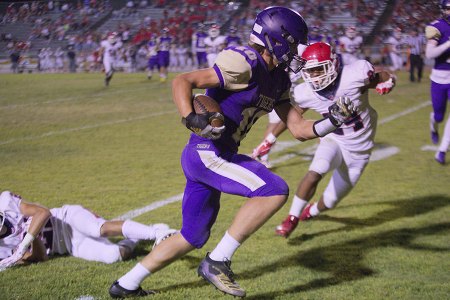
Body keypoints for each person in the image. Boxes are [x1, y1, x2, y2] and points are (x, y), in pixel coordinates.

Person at [109, 7, 356, 298]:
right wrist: (191, 117)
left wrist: (332, 121)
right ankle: (218, 261)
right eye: (294, 42)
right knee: (274, 189)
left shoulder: (278, 79)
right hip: (208, 152)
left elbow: (299, 129)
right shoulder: (245, 61)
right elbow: (183, 81)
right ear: (277, 38)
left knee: (192, 236)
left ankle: (125, 284)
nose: (298, 50)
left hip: (212, 155)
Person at [273, 42, 396, 238]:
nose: (315, 76)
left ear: (333, 64)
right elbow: (292, 117)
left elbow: (383, 76)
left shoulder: (355, 75)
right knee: (315, 172)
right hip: (334, 141)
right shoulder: (306, 92)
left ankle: (311, 212)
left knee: (330, 201)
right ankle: (291, 218)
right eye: (310, 71)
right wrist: (271, 136)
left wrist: (388, 82)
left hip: (359, 152)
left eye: (319, 69)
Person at [0, 191, 174, 270]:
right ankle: (142, 235)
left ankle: (158, 234)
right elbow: (41, 258)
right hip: (68, 246)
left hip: (66, 219)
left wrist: (24, 243)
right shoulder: (2, 251)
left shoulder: (5, 202)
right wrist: (34, 238)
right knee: (114, 255)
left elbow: (42, 212)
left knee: (99, 229)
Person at [425, 0, 450, 164]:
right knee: (439, 116)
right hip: (440, 78)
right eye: (449, 8)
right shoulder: (437, 27)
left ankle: (441, 151)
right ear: (443, 10)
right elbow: (429, 54)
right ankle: (434, 124)